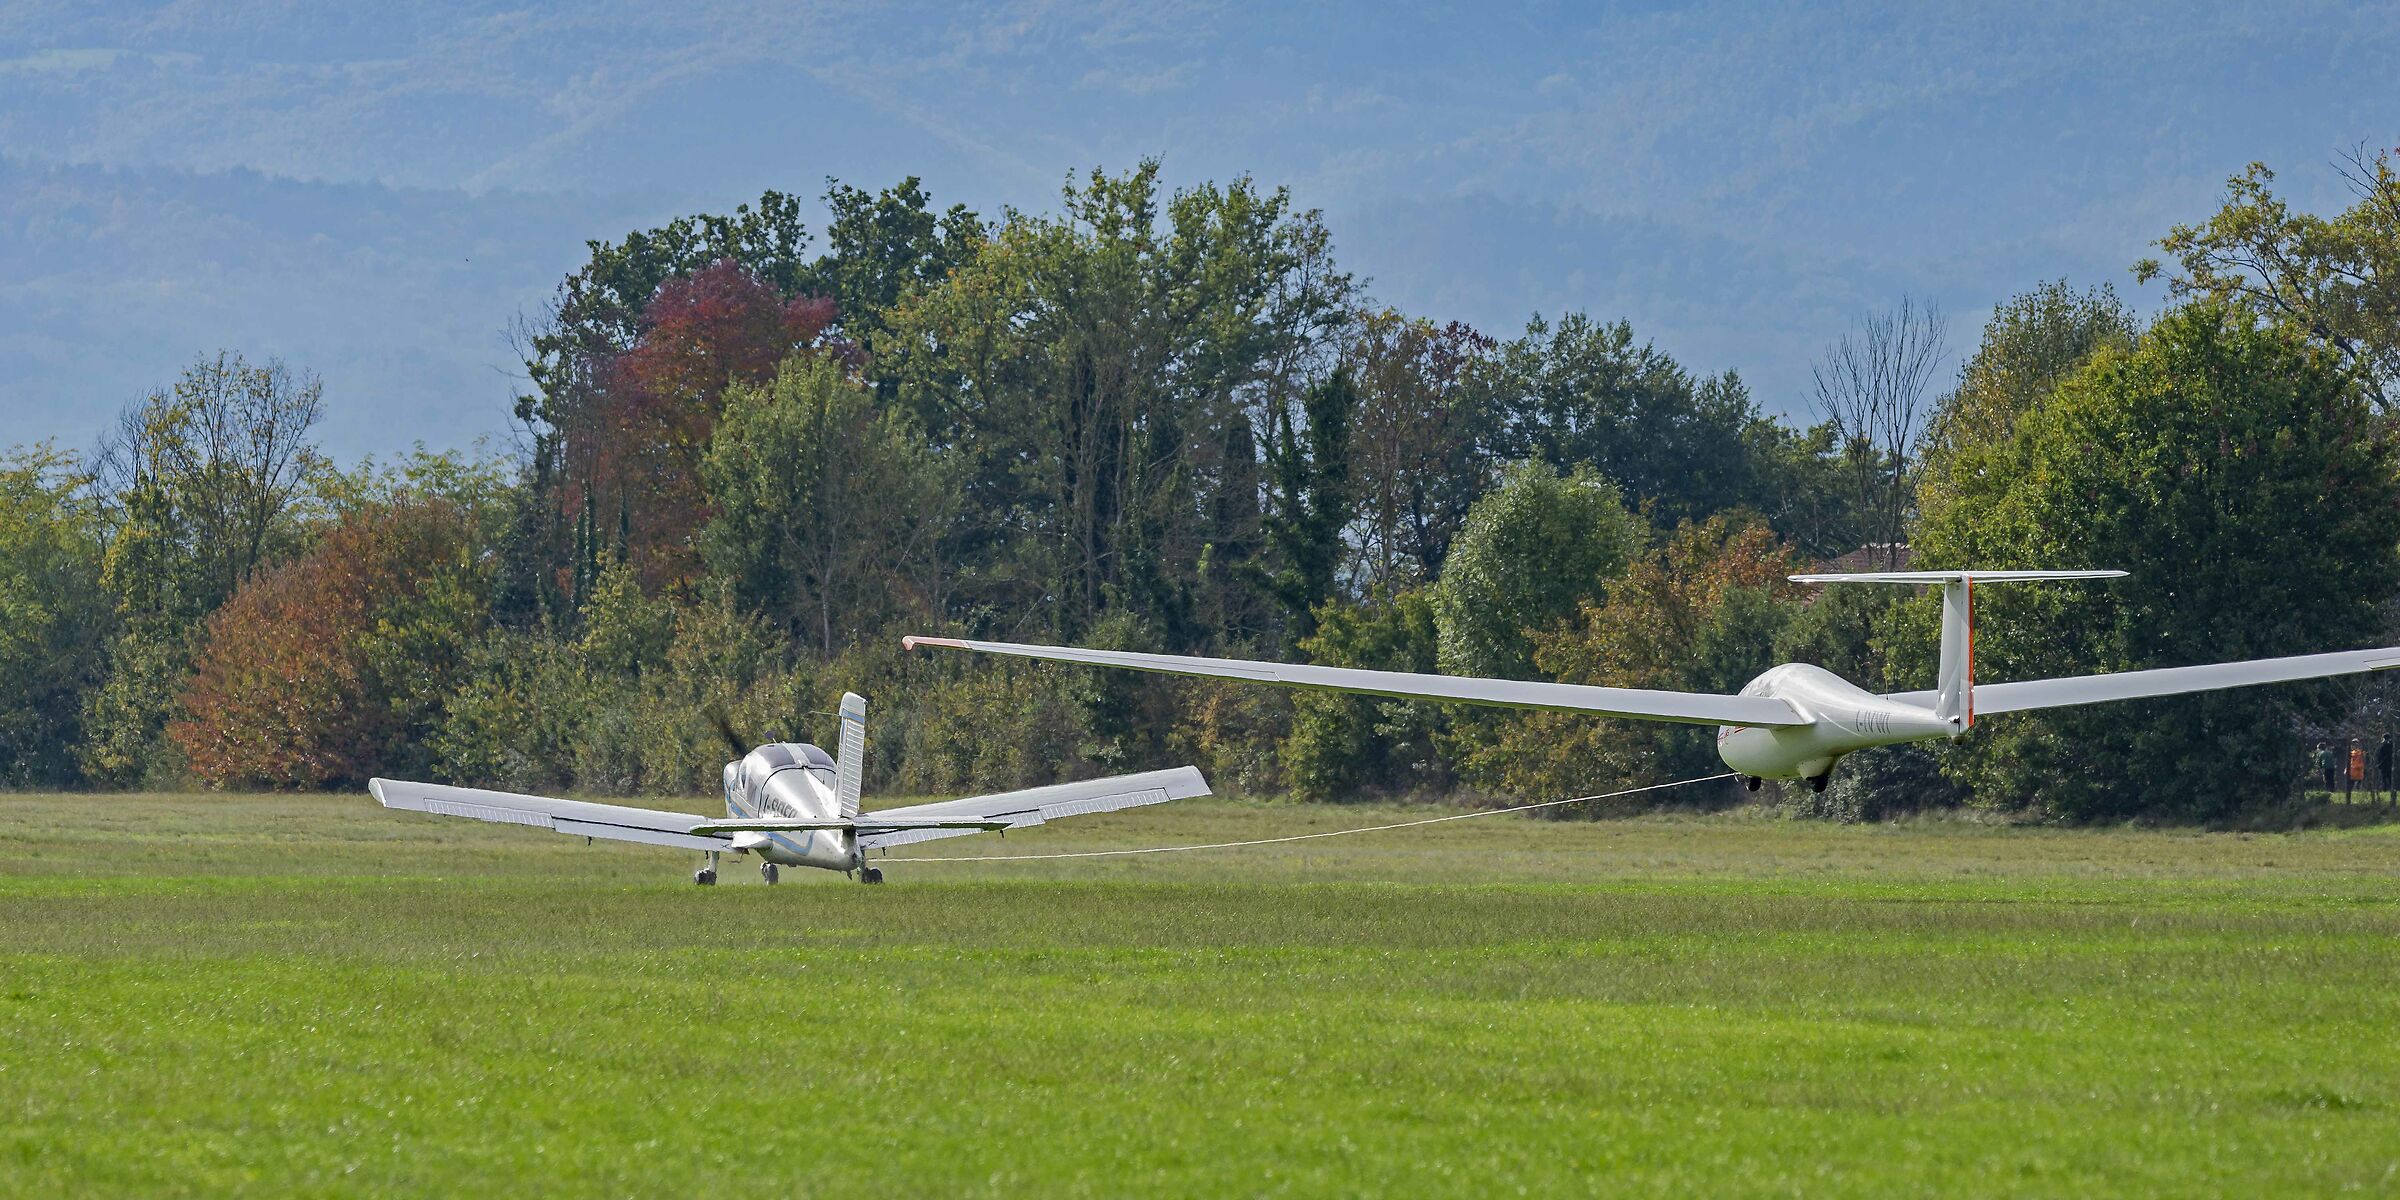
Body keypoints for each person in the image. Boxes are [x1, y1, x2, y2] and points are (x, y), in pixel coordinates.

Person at [2380, 734, 2394, 801]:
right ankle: (2385, 789)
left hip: (2387, 764)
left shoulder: (2389, 745)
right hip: (2385, 764)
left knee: (2388, 778)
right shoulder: (2384, 745)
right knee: (2385, 778)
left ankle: (2389, 789)